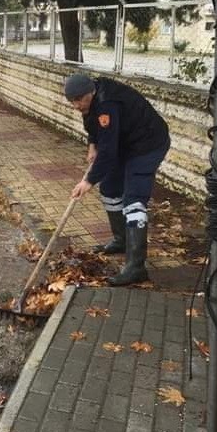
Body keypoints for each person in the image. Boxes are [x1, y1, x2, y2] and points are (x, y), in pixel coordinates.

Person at [65, 74, 170, 286]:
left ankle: (136, 267)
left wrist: (88, 181)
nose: (76, 105)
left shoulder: (108, 104)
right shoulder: (92, 100)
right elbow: (93, 124)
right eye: (72, 101)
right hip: (126, 143)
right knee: (110, 190)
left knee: (133, 201)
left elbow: (109, 150)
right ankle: (122, 240)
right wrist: (92, 144)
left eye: (79, 100)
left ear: (90, 92)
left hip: (147, 145)